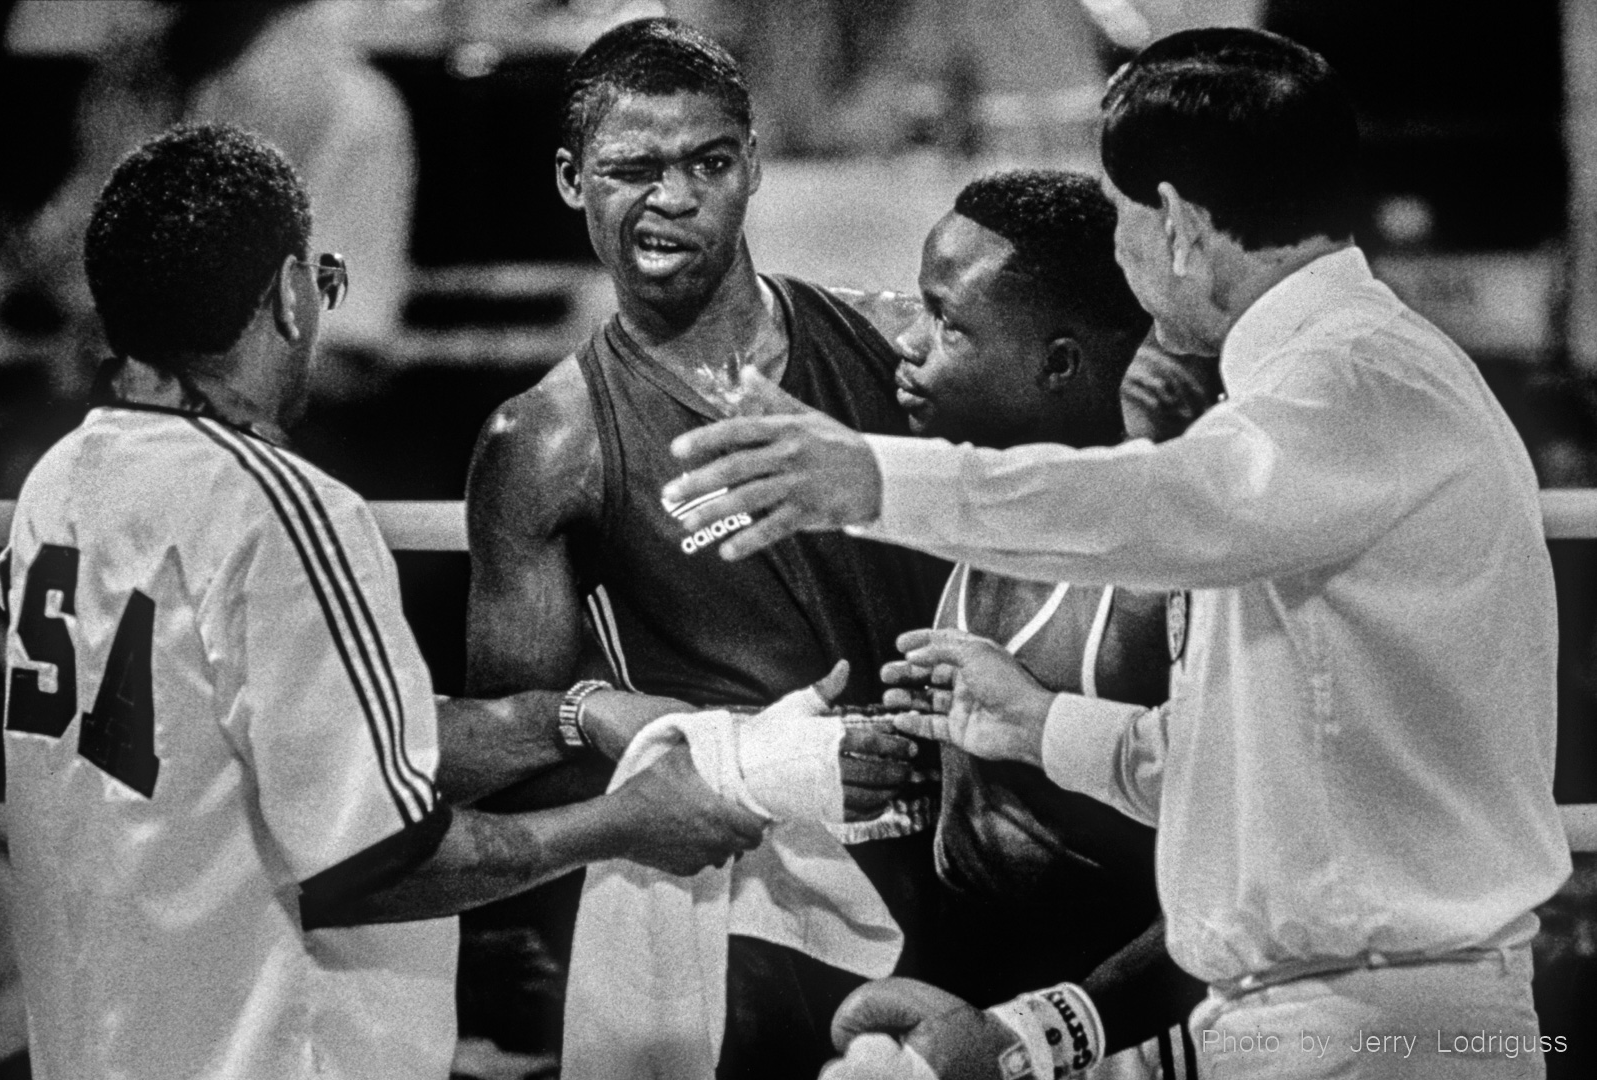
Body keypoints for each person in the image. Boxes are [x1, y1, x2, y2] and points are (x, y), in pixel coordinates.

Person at [664, 27, 1572, 1080]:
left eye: (1127, 215)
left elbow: (1163, 504)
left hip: (1377, 1028)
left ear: (1180, 223)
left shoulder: (1353, 386)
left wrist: (870, 478)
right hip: (1346, 1018)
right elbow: (1259, 769)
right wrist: (1045, 725)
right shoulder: (1335, 390)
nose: (1121, 251)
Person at [0, 122, 772, 1080]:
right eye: (321, 278)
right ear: (286, 293)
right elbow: (380, 860)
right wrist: (628, 824)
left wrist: (568, 718)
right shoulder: (277, 506)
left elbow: (312, 754)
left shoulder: (61, 484)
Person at [463, 18, 946, 1080]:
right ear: (569, 179)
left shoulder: (896, 343)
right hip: (747, 911)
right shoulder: (548, 440)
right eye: (633, 170)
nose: (674, 198)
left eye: (709, 162)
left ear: (755, 163)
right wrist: (731, 761)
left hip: (964, 873)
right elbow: (513, 747)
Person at [873, 168, 1211, 1074]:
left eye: (948, 323)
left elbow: (1238, 870)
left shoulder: (1159, 574)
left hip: (1132, 1037)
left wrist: (1045, 1033)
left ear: (1059, 364)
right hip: (985, 1021)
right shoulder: (977, 527)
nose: (910, 344)